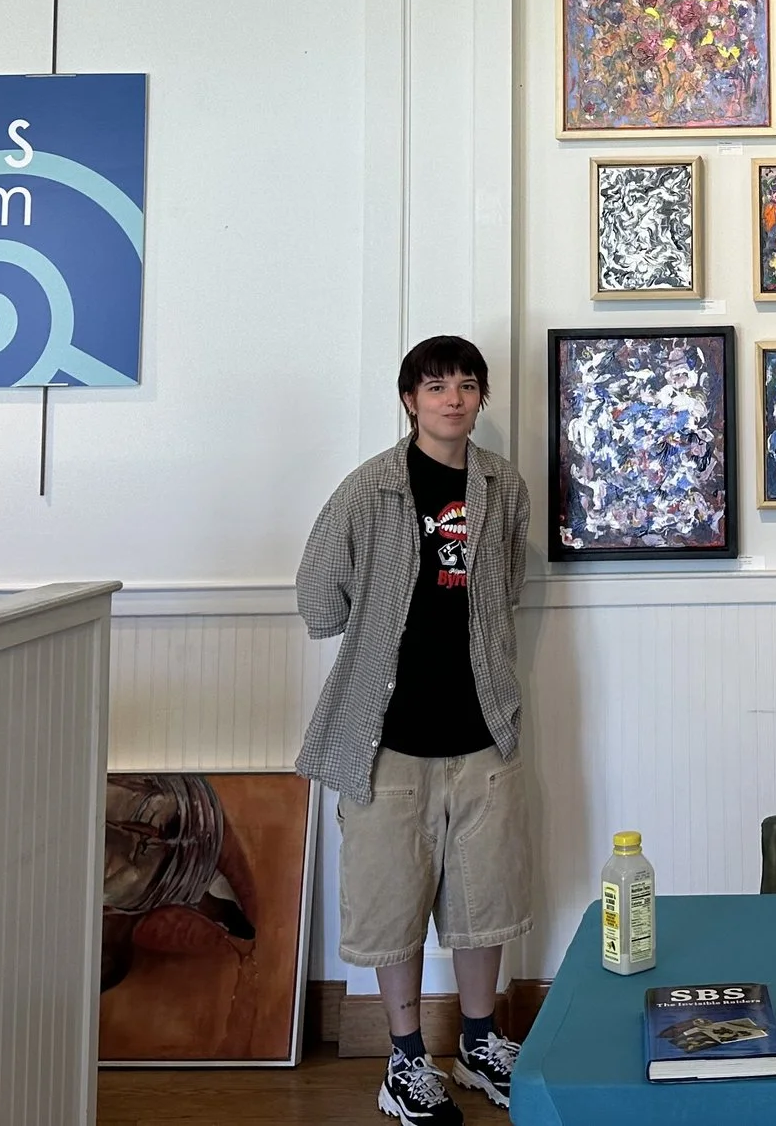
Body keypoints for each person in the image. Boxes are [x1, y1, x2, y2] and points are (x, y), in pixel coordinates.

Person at [297, 335, 532, 1125]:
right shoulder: (369, 488)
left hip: (483, 725)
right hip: (386, 735)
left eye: (466, 384)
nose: (453, 398)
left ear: (481, 397)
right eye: (436, 386)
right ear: (410, 399)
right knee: (391, 898)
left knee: (485, 895)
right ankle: (404, 1058)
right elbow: (317, 595)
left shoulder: (503, 484)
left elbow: (507, 583)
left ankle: (478, 1041)